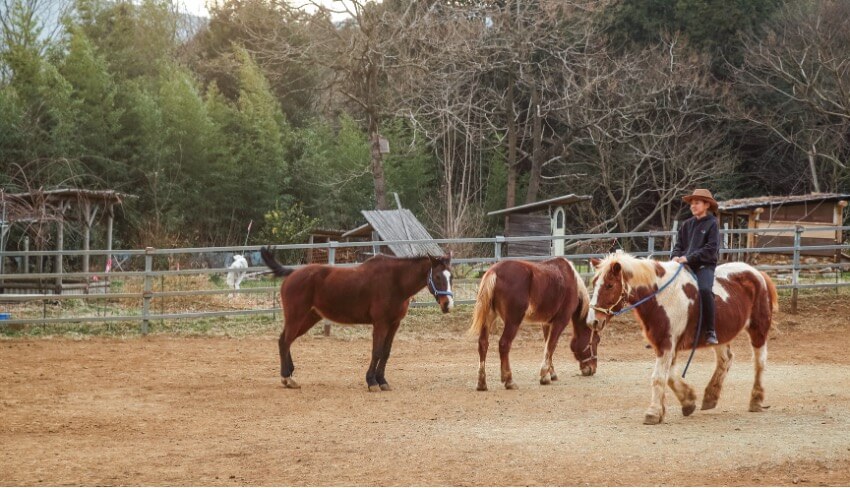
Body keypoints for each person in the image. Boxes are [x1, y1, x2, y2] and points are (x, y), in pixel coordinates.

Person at [671, 189, 720, 345]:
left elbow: (710, 249)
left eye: (696, 203)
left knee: (705, 289)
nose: (693, 206)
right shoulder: (686, 225)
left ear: (706, 205)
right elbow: (678, 245)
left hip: (704, 265)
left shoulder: (712, 224)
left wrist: (688, 258)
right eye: (691, 203)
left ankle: (710, 330)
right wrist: (675, 257)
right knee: (668, 289)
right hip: (685, 265)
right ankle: (667, 329)